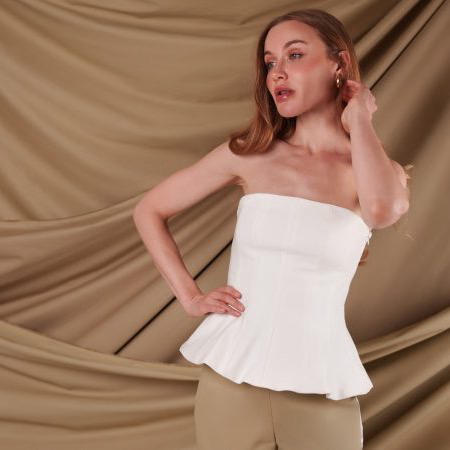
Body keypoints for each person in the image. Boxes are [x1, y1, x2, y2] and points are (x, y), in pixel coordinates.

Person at [133, 8, 410, 450]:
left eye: (295, 55)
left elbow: (382, 211)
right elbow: (150, 209)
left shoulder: (373, 172)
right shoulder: (249, 154)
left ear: (339, 63)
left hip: (321, 386)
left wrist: (360, 118)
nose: (277, 72)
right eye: (269, 62)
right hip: (230, 380)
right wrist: (190, 296)